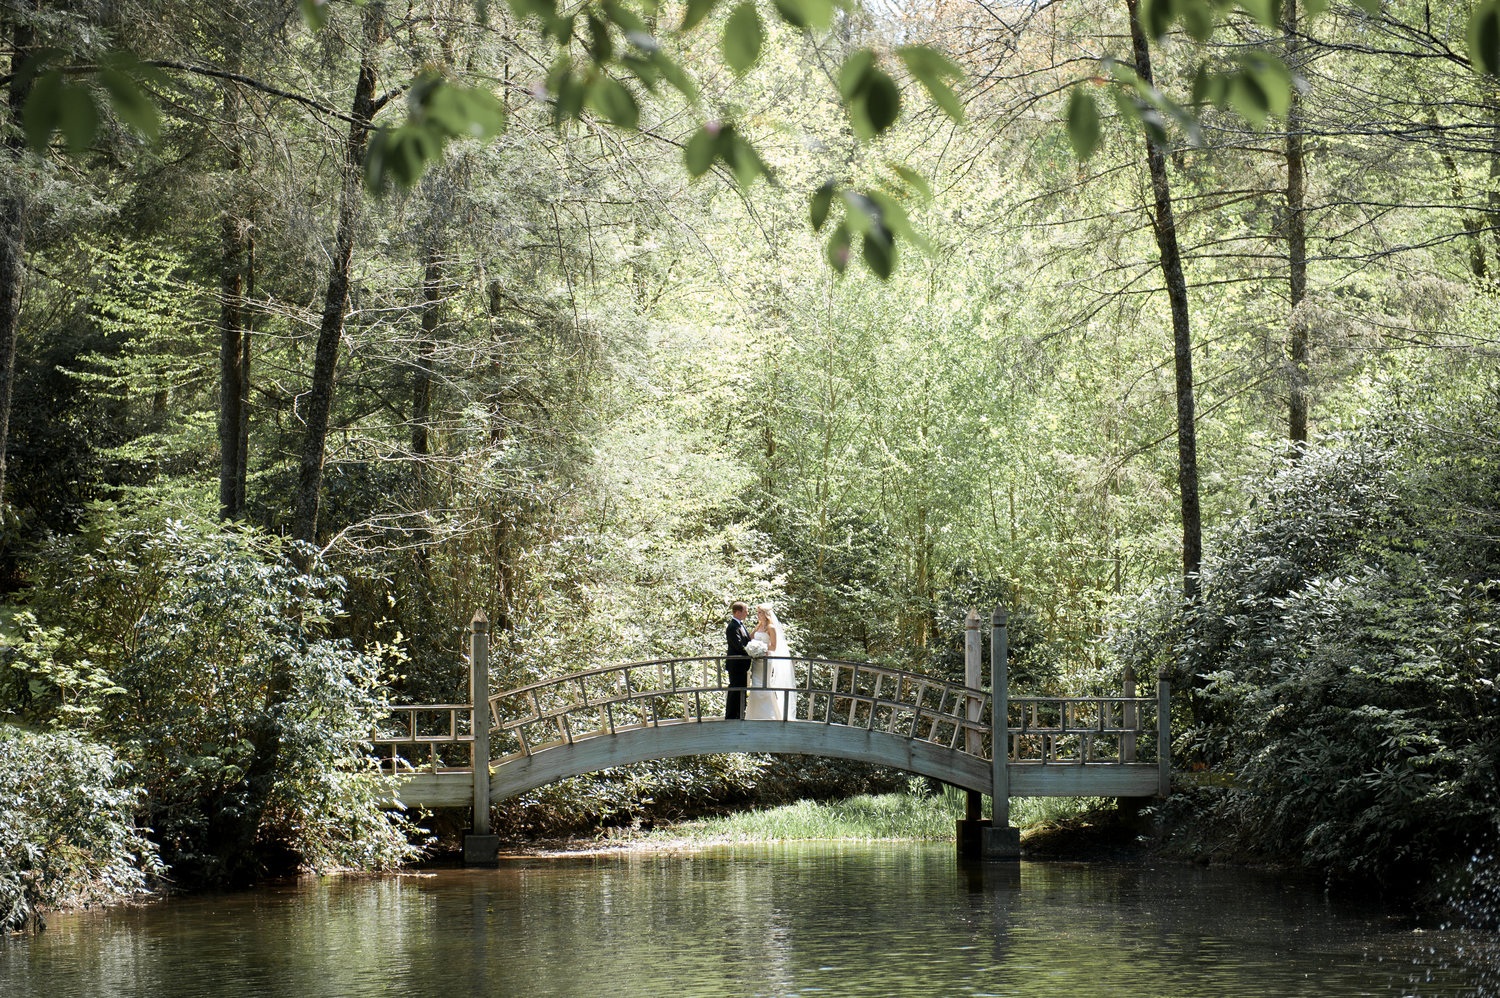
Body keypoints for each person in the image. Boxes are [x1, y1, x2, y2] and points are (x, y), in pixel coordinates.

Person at [746, 603, 796, 720]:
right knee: (755, 684)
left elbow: (773, 646)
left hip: (766, 660)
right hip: (757, 660)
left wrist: (761, 648)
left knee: (764, 683)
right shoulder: (758, 626)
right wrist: (752, 648)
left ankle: (769, 714)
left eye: (760, 613)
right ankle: (754, 714)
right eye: (757, 612)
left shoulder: (771, 628)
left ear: (766, 614)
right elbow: (750, 638)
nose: (757, 615)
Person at [724, 601, 752, 719]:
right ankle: (731, 716)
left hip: (742, 665)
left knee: (741, 689)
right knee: (735, 689)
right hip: (736, 664)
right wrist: (752, 653)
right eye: (745, 611)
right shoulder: (732, 627)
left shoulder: (740, 625)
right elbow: (738, 646)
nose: (747, 613)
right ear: (738, 612)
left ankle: (739, 714)